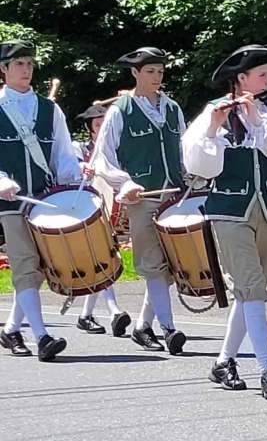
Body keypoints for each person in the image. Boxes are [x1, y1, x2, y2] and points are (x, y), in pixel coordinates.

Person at [182, 43, 267, 400]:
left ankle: (223, 362)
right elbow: (199, 168)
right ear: (241, 78)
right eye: (262, 74)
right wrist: (212, 130)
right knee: (252, 289)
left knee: (250, 294)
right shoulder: (212, 113)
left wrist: (258, 119)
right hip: (230, 211)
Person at [92, 47, 189, 354]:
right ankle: (169, 328)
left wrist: (192, 181)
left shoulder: (172, 108)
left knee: (172, 267)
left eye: (160, 72)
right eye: (150, 72)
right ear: (135, 73)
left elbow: (185, 152)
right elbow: (102, 157)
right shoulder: (121, 110)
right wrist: (126, 183)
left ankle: (142, 326)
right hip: (143, 197)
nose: (156, 78)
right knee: (152, 265)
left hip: (173, 196)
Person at [0, 40, 80, 361]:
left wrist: (73, 182)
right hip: (11, 201)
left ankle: (10, 330)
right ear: (3, 69)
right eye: (19, 64)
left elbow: (62, 151)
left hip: (46, 199)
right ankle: (42, 336)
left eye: (29, 63)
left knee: (38, 270)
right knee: (24, 264)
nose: (26, 69)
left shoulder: (50, 109)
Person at [72, 102, 131, 337]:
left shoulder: (116, 154)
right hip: (85, 211)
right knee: (103, 259)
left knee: (103, 259)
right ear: (91, 129)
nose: (102, 129)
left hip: (110, 214)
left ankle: (85, 316)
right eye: (98, 125)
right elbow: (68, 167)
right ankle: (114, 311)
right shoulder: (80, 149)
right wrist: (82, 168)